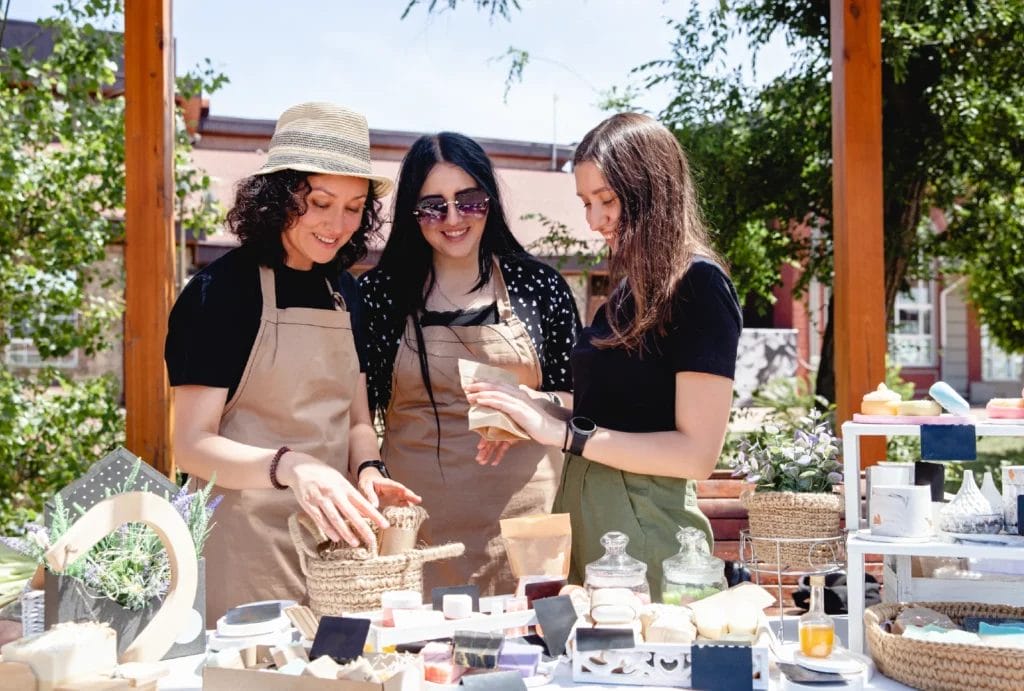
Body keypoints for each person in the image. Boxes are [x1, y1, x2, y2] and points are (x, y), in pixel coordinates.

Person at [467, 113, 742, 600]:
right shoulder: (628, 291)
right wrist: (527, 406)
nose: (594, 221)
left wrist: (563, 434)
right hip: (589, 515)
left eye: (607, 201)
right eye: (586, 203)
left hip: (647, 527)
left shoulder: (699, 286)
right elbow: (614, 410)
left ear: (652, 191)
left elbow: (697, 454)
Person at [165, 102, 420, 619]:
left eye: (353, 207)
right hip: (241, 545)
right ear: (279, 196)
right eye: (320, 202)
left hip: (333, 548)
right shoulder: (221, 293)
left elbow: (354, 420)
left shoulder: (346, 291)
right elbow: (191, 446)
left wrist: (368, 468)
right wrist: (291, 466)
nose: (337, 224)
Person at [359, 132, 581, 596]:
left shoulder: (539, 286)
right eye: (434, 206)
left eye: (469, 201)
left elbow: (577, 397)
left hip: (524, 525)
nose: (454, 218)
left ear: (490, 201)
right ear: (412, 214)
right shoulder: (380, 294)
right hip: (415, 527)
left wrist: (523, 403)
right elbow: (357, 412)